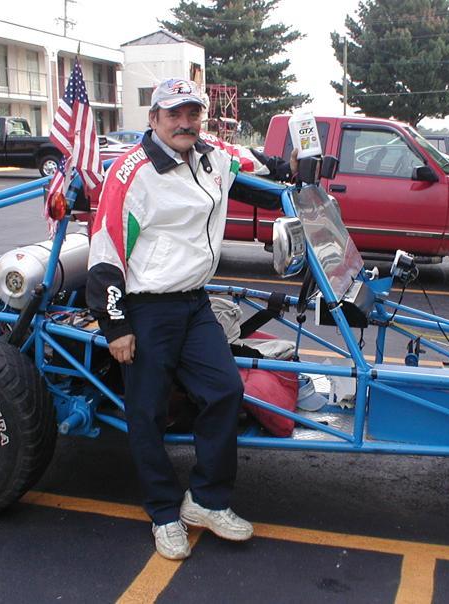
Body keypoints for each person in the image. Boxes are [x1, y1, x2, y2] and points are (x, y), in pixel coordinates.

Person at [86, 78, 294, 560]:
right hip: (146, 306)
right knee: (147, 413)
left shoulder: (211, 153)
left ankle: (206, 500)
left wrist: (294, 170)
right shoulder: (131, 172)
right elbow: (105, 251)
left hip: (194, 301)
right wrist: (115, 325)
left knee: (224, 391)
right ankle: (163, 513)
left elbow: (255, 165)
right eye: (173, 114)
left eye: (192, 114)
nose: (184, 123)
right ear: (154, 118)